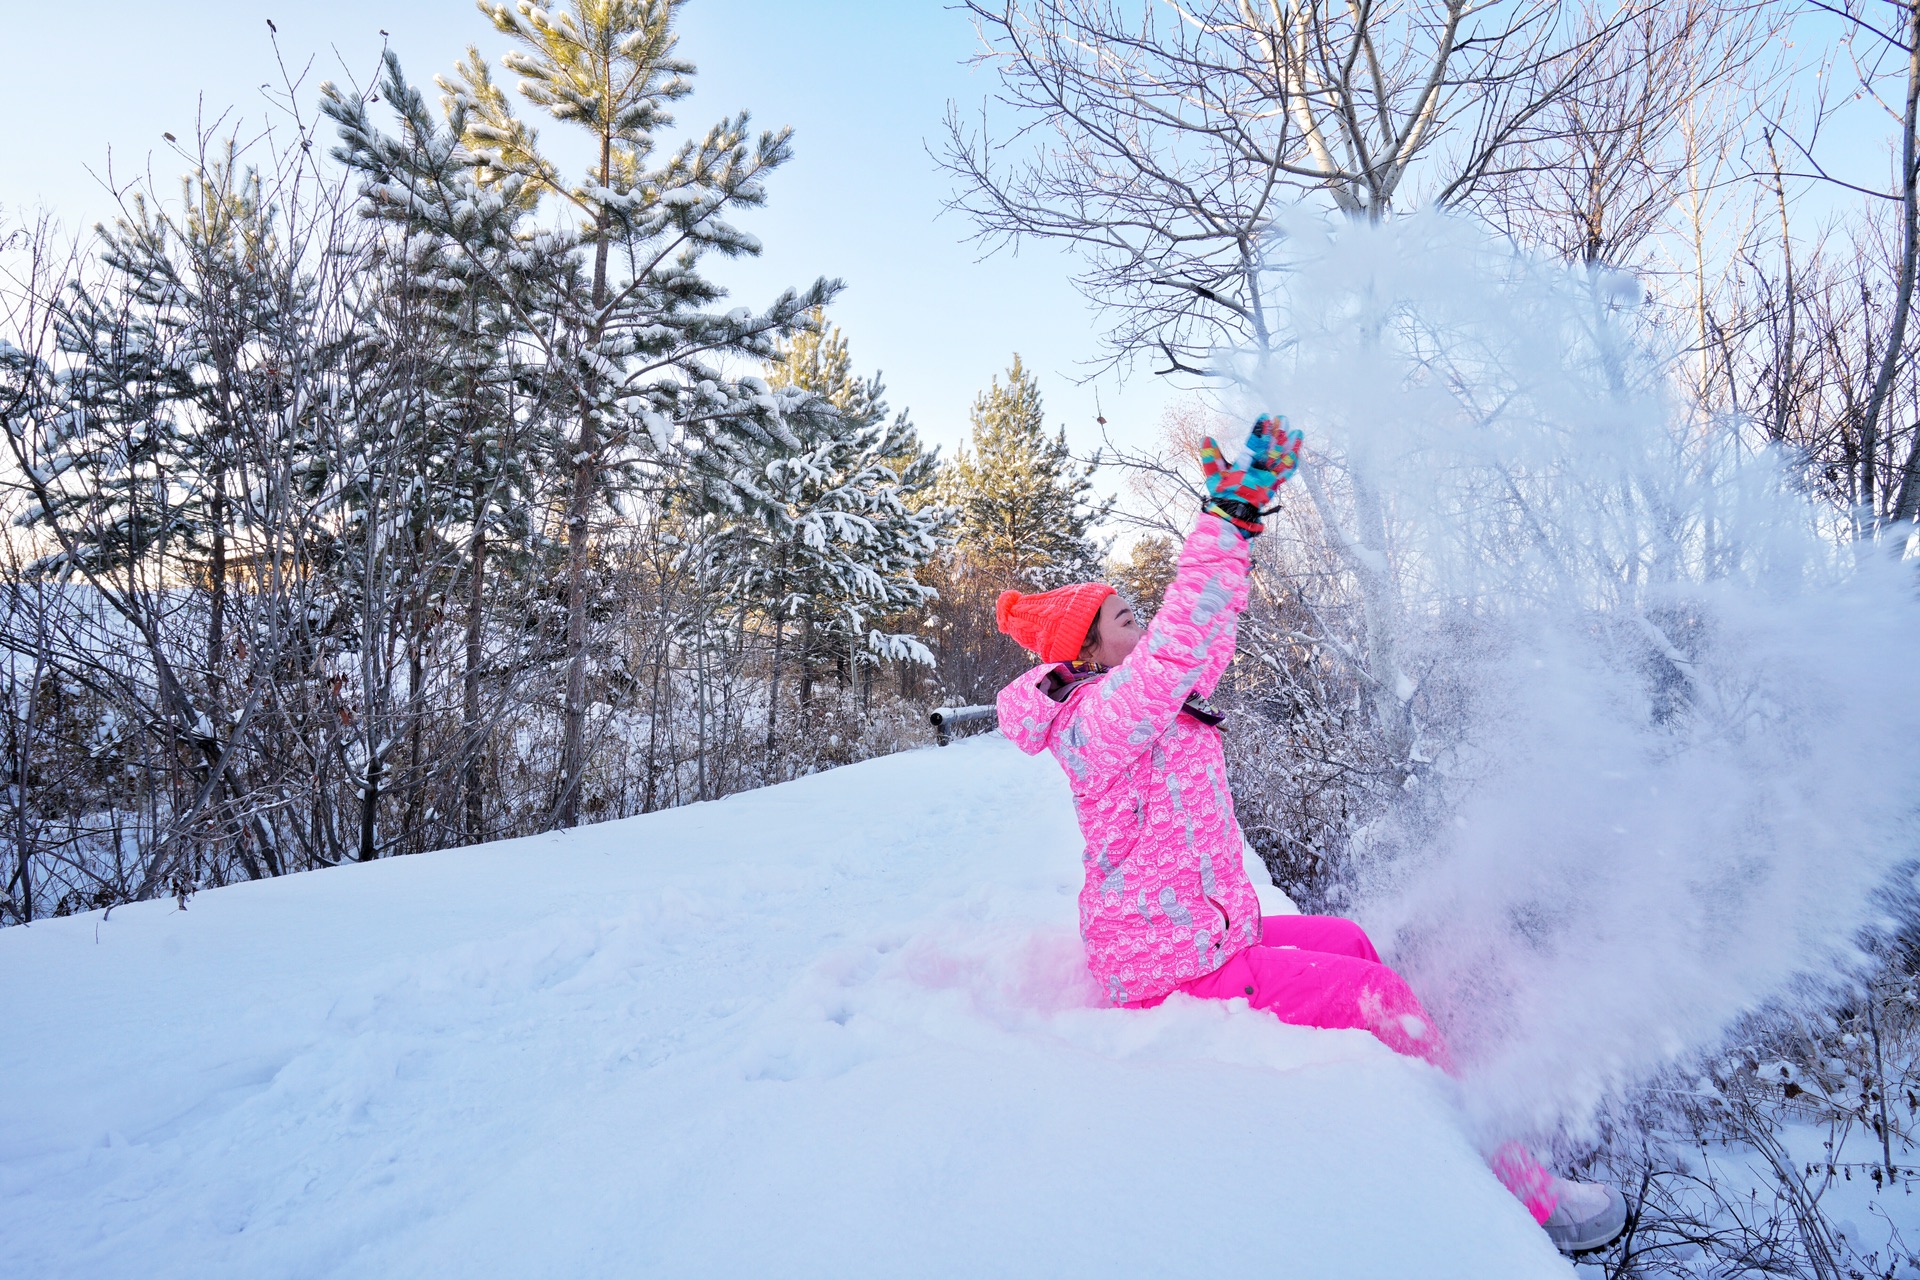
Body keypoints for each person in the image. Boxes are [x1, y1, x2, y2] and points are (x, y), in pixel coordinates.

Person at [993, 413, 1627, 1256]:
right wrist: (1220, 520)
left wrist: (1239, 531)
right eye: (1125, 619)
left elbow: (1203, 638)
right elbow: (1180, 647)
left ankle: (1459, 1094)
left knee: (1352, 941)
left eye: (1138, 612)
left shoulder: (1130, 699)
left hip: (1201, 932)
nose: (1141, 623)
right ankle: (1523, 1191)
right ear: (1089, 652)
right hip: (1170, 966)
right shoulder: (1101, 718)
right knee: (1384, 1001)